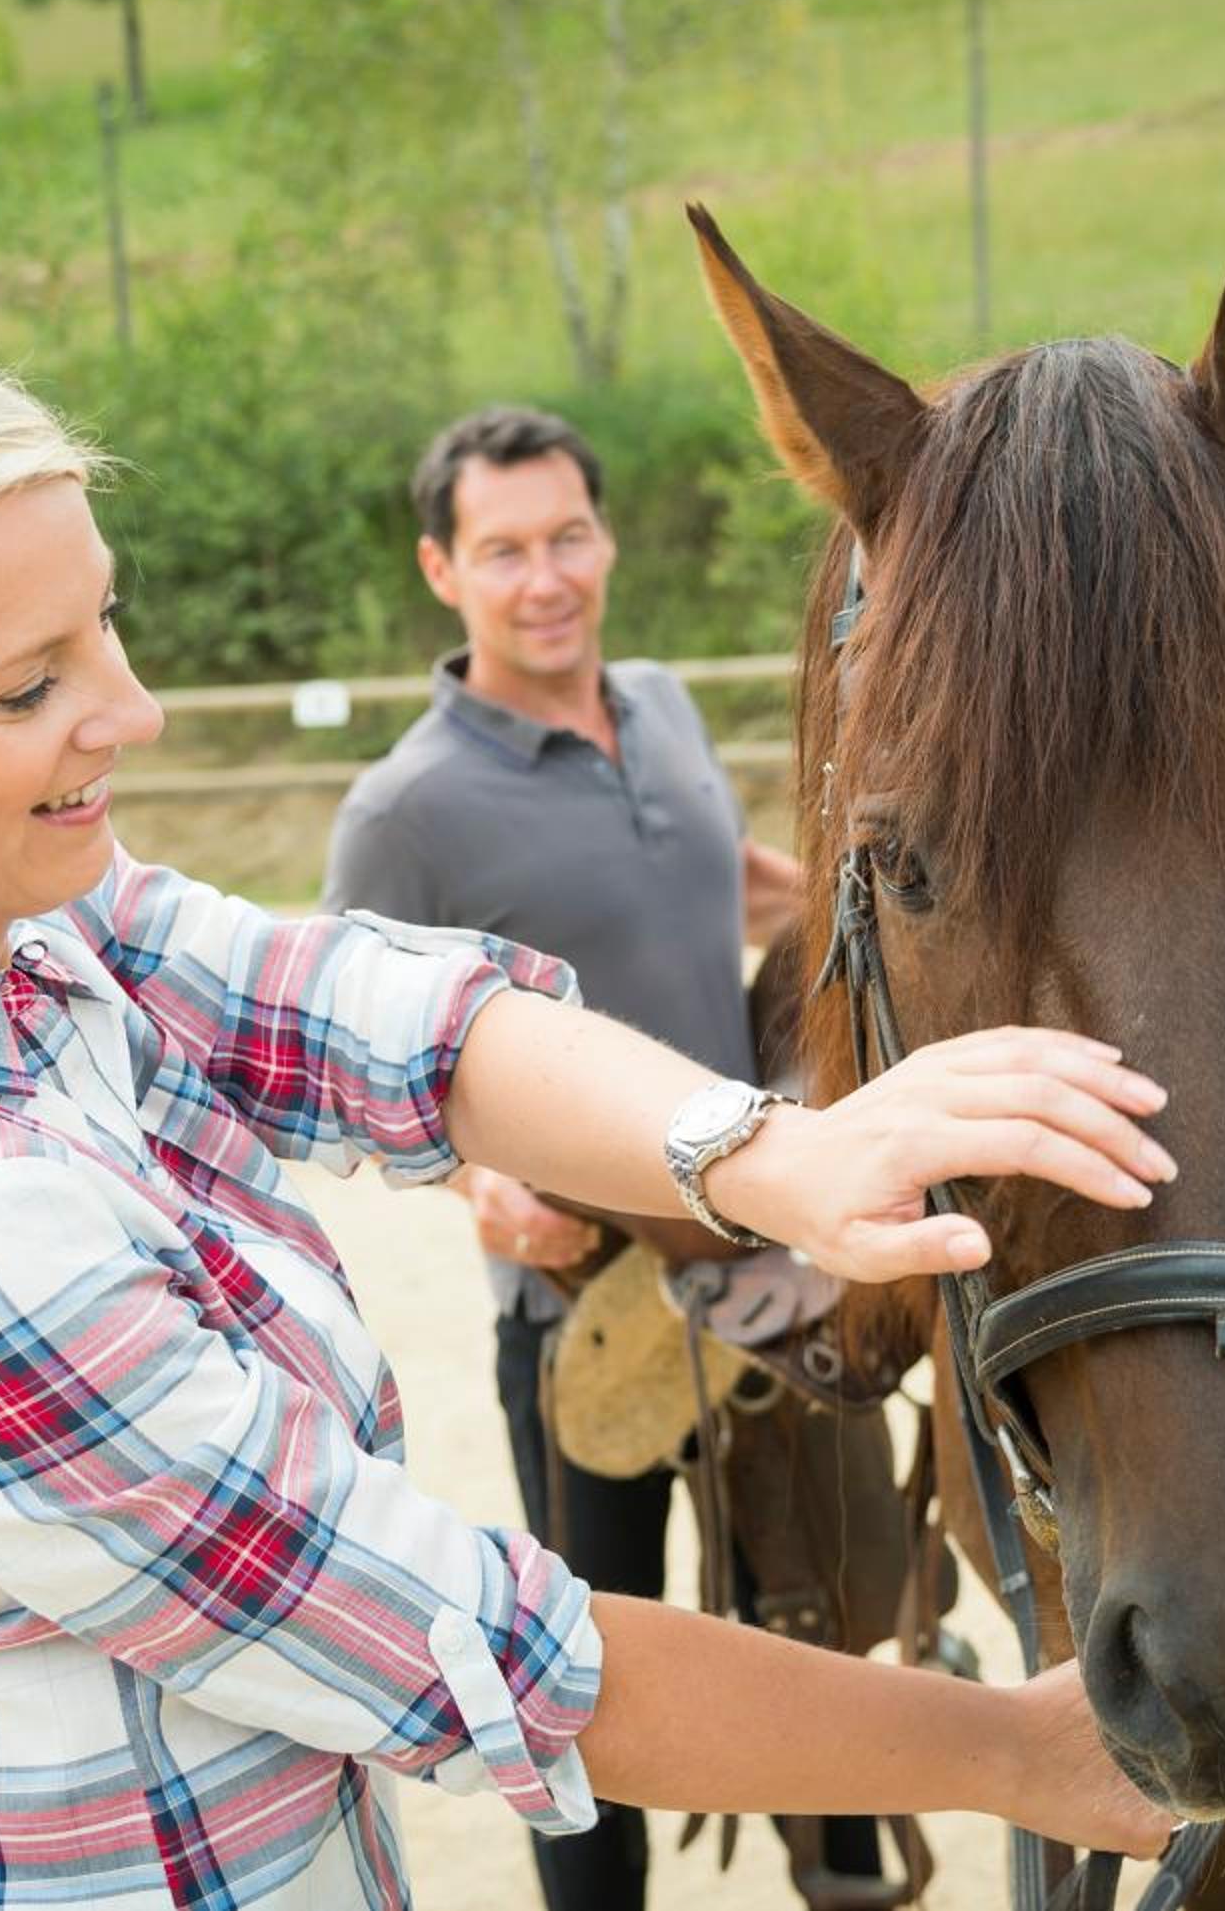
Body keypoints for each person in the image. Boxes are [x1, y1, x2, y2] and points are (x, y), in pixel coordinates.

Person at [0, 340, 1180, 1910]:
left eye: (104, 624)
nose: (134, 710)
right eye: (26, 686)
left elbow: (346, 1004)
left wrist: (771, 1153)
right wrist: (1009, 1749)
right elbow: (477, 1647)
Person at [321, 405, 842, 1908]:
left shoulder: (664, 706)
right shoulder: (405, 809)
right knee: (581, 1695)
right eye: (503, 551)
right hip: (583, 1313)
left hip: (770, 1283)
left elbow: (702, 885)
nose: (544, 577)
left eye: (568, 536)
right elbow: (339, 1062)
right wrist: (472, 1181)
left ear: (605, 540)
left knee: (824, 1641)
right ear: (443, 570)